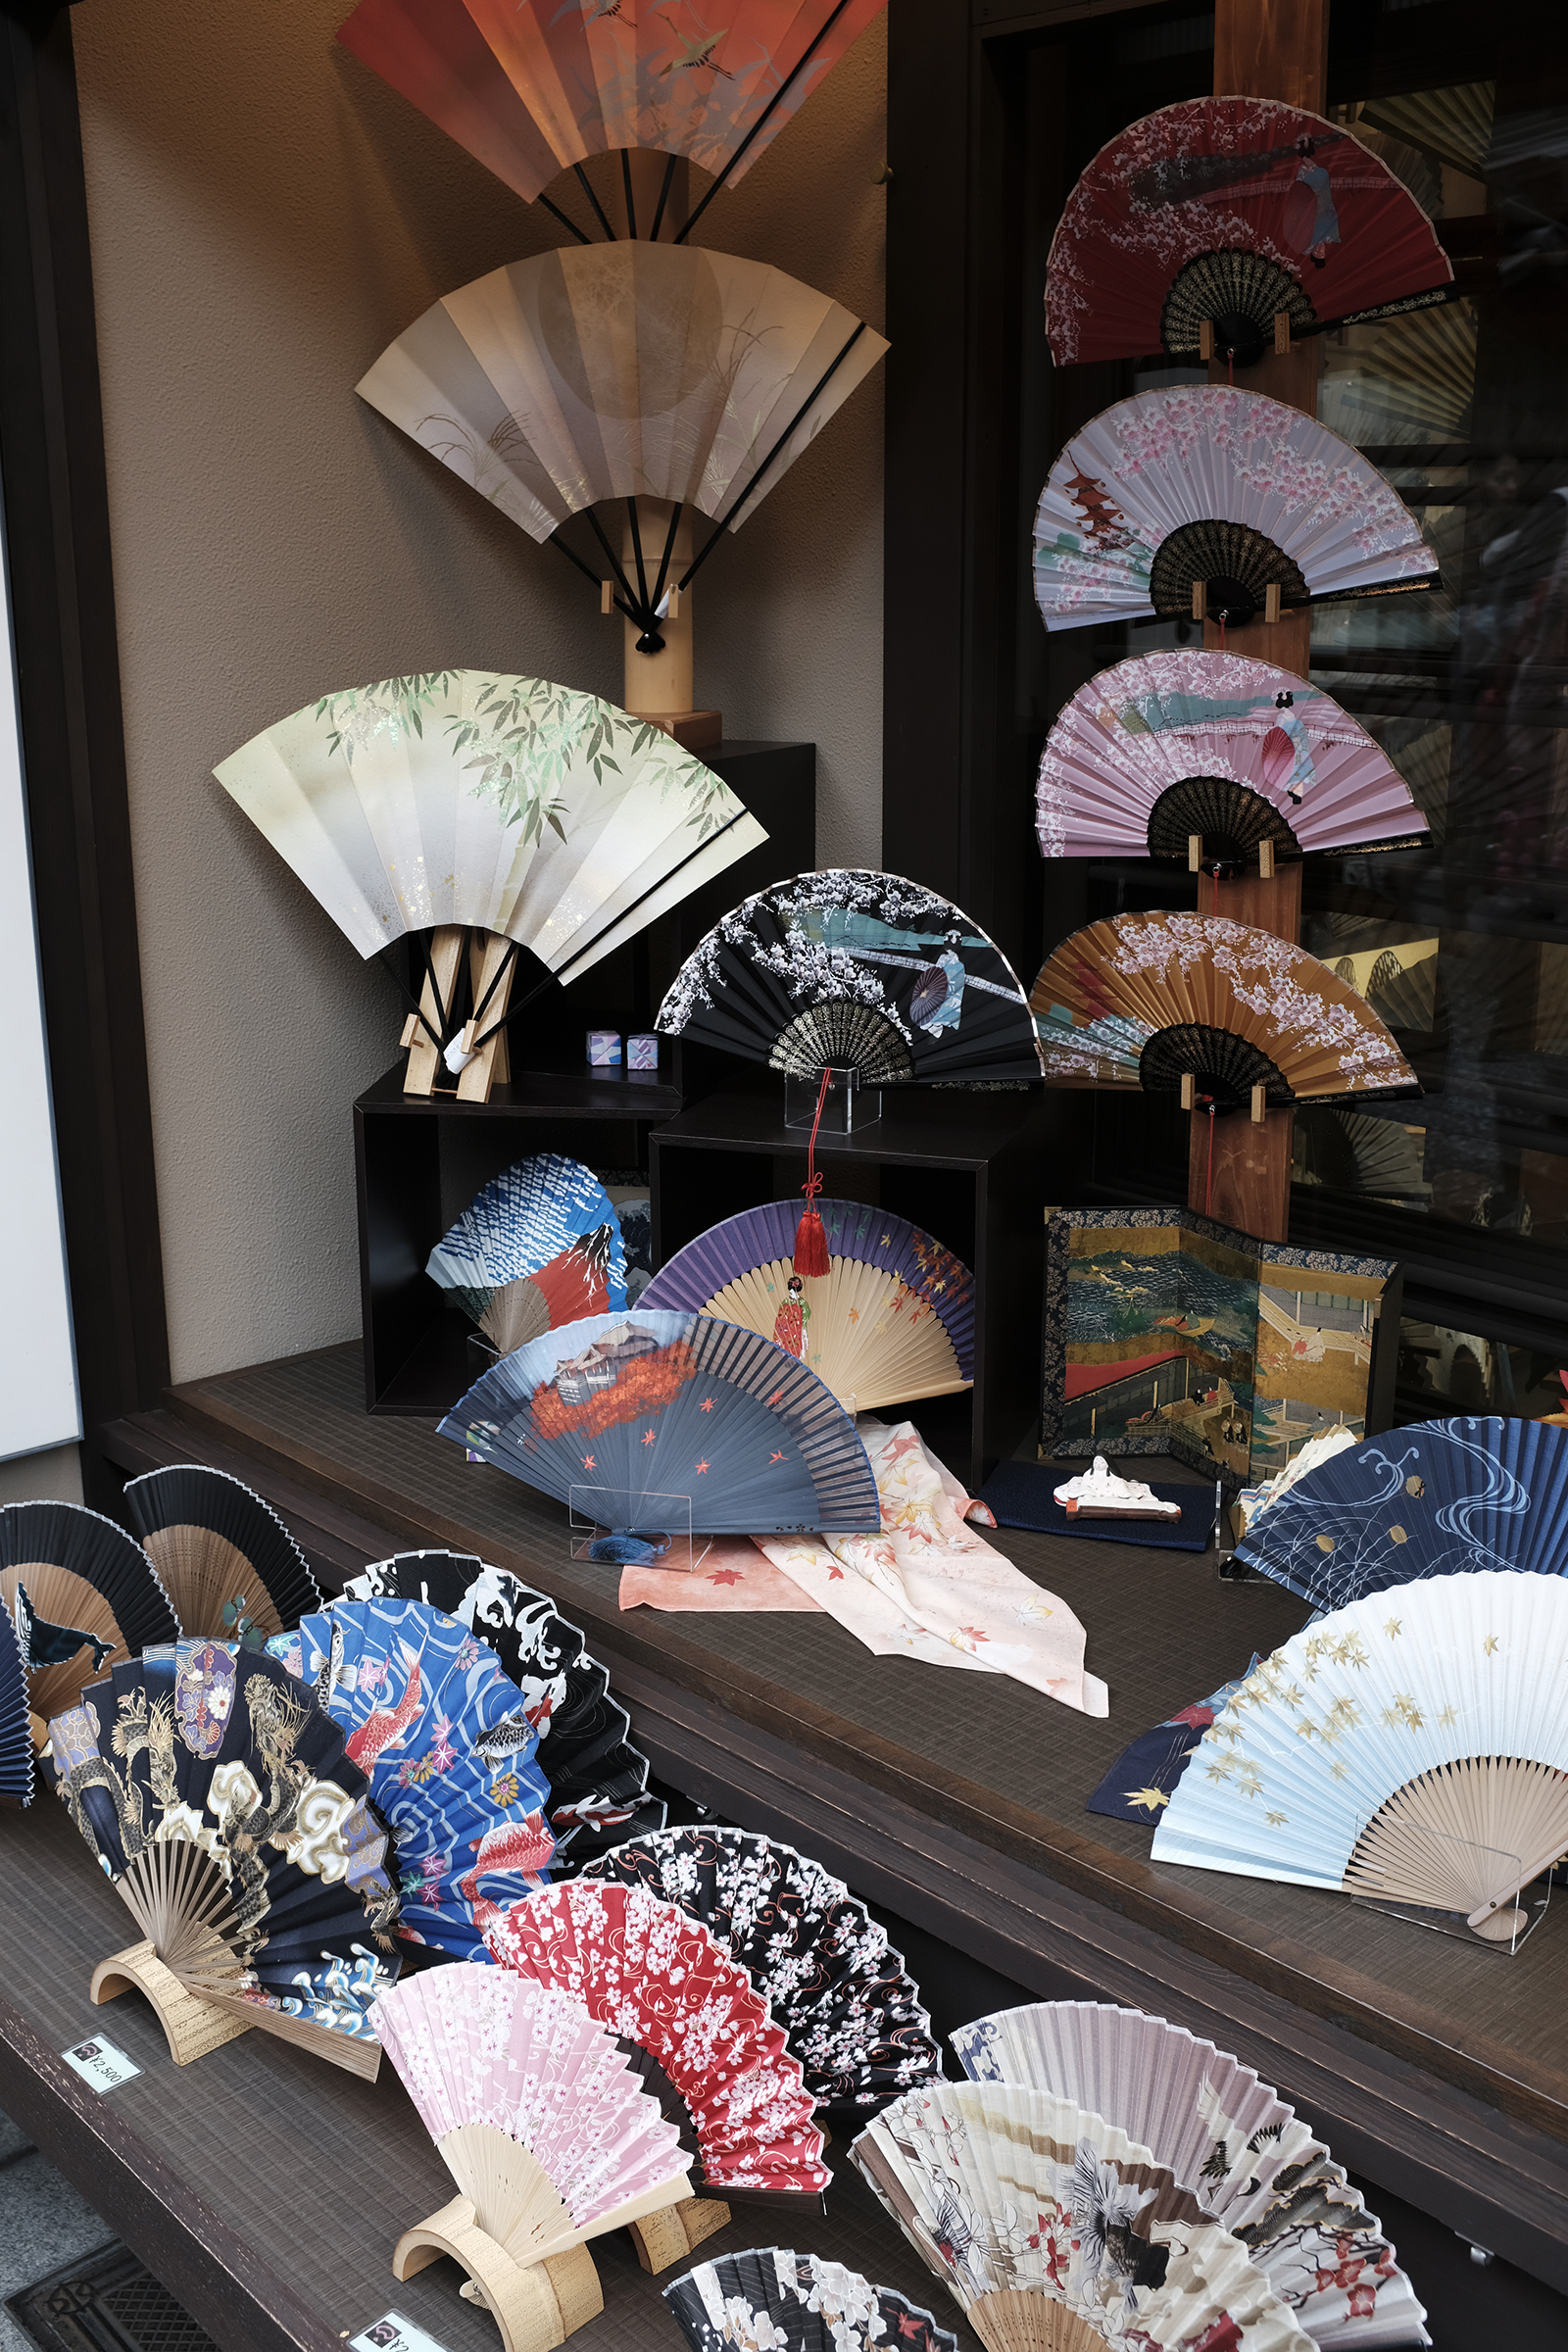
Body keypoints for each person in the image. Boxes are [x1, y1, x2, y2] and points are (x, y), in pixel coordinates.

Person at [773, 1274, 809, 1359]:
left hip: (798, 1330)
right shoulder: (788, 1302)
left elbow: (805, 1318)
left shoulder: (801, 1303)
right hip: (786, 1330)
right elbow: (780, 1317)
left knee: (797, 1346)